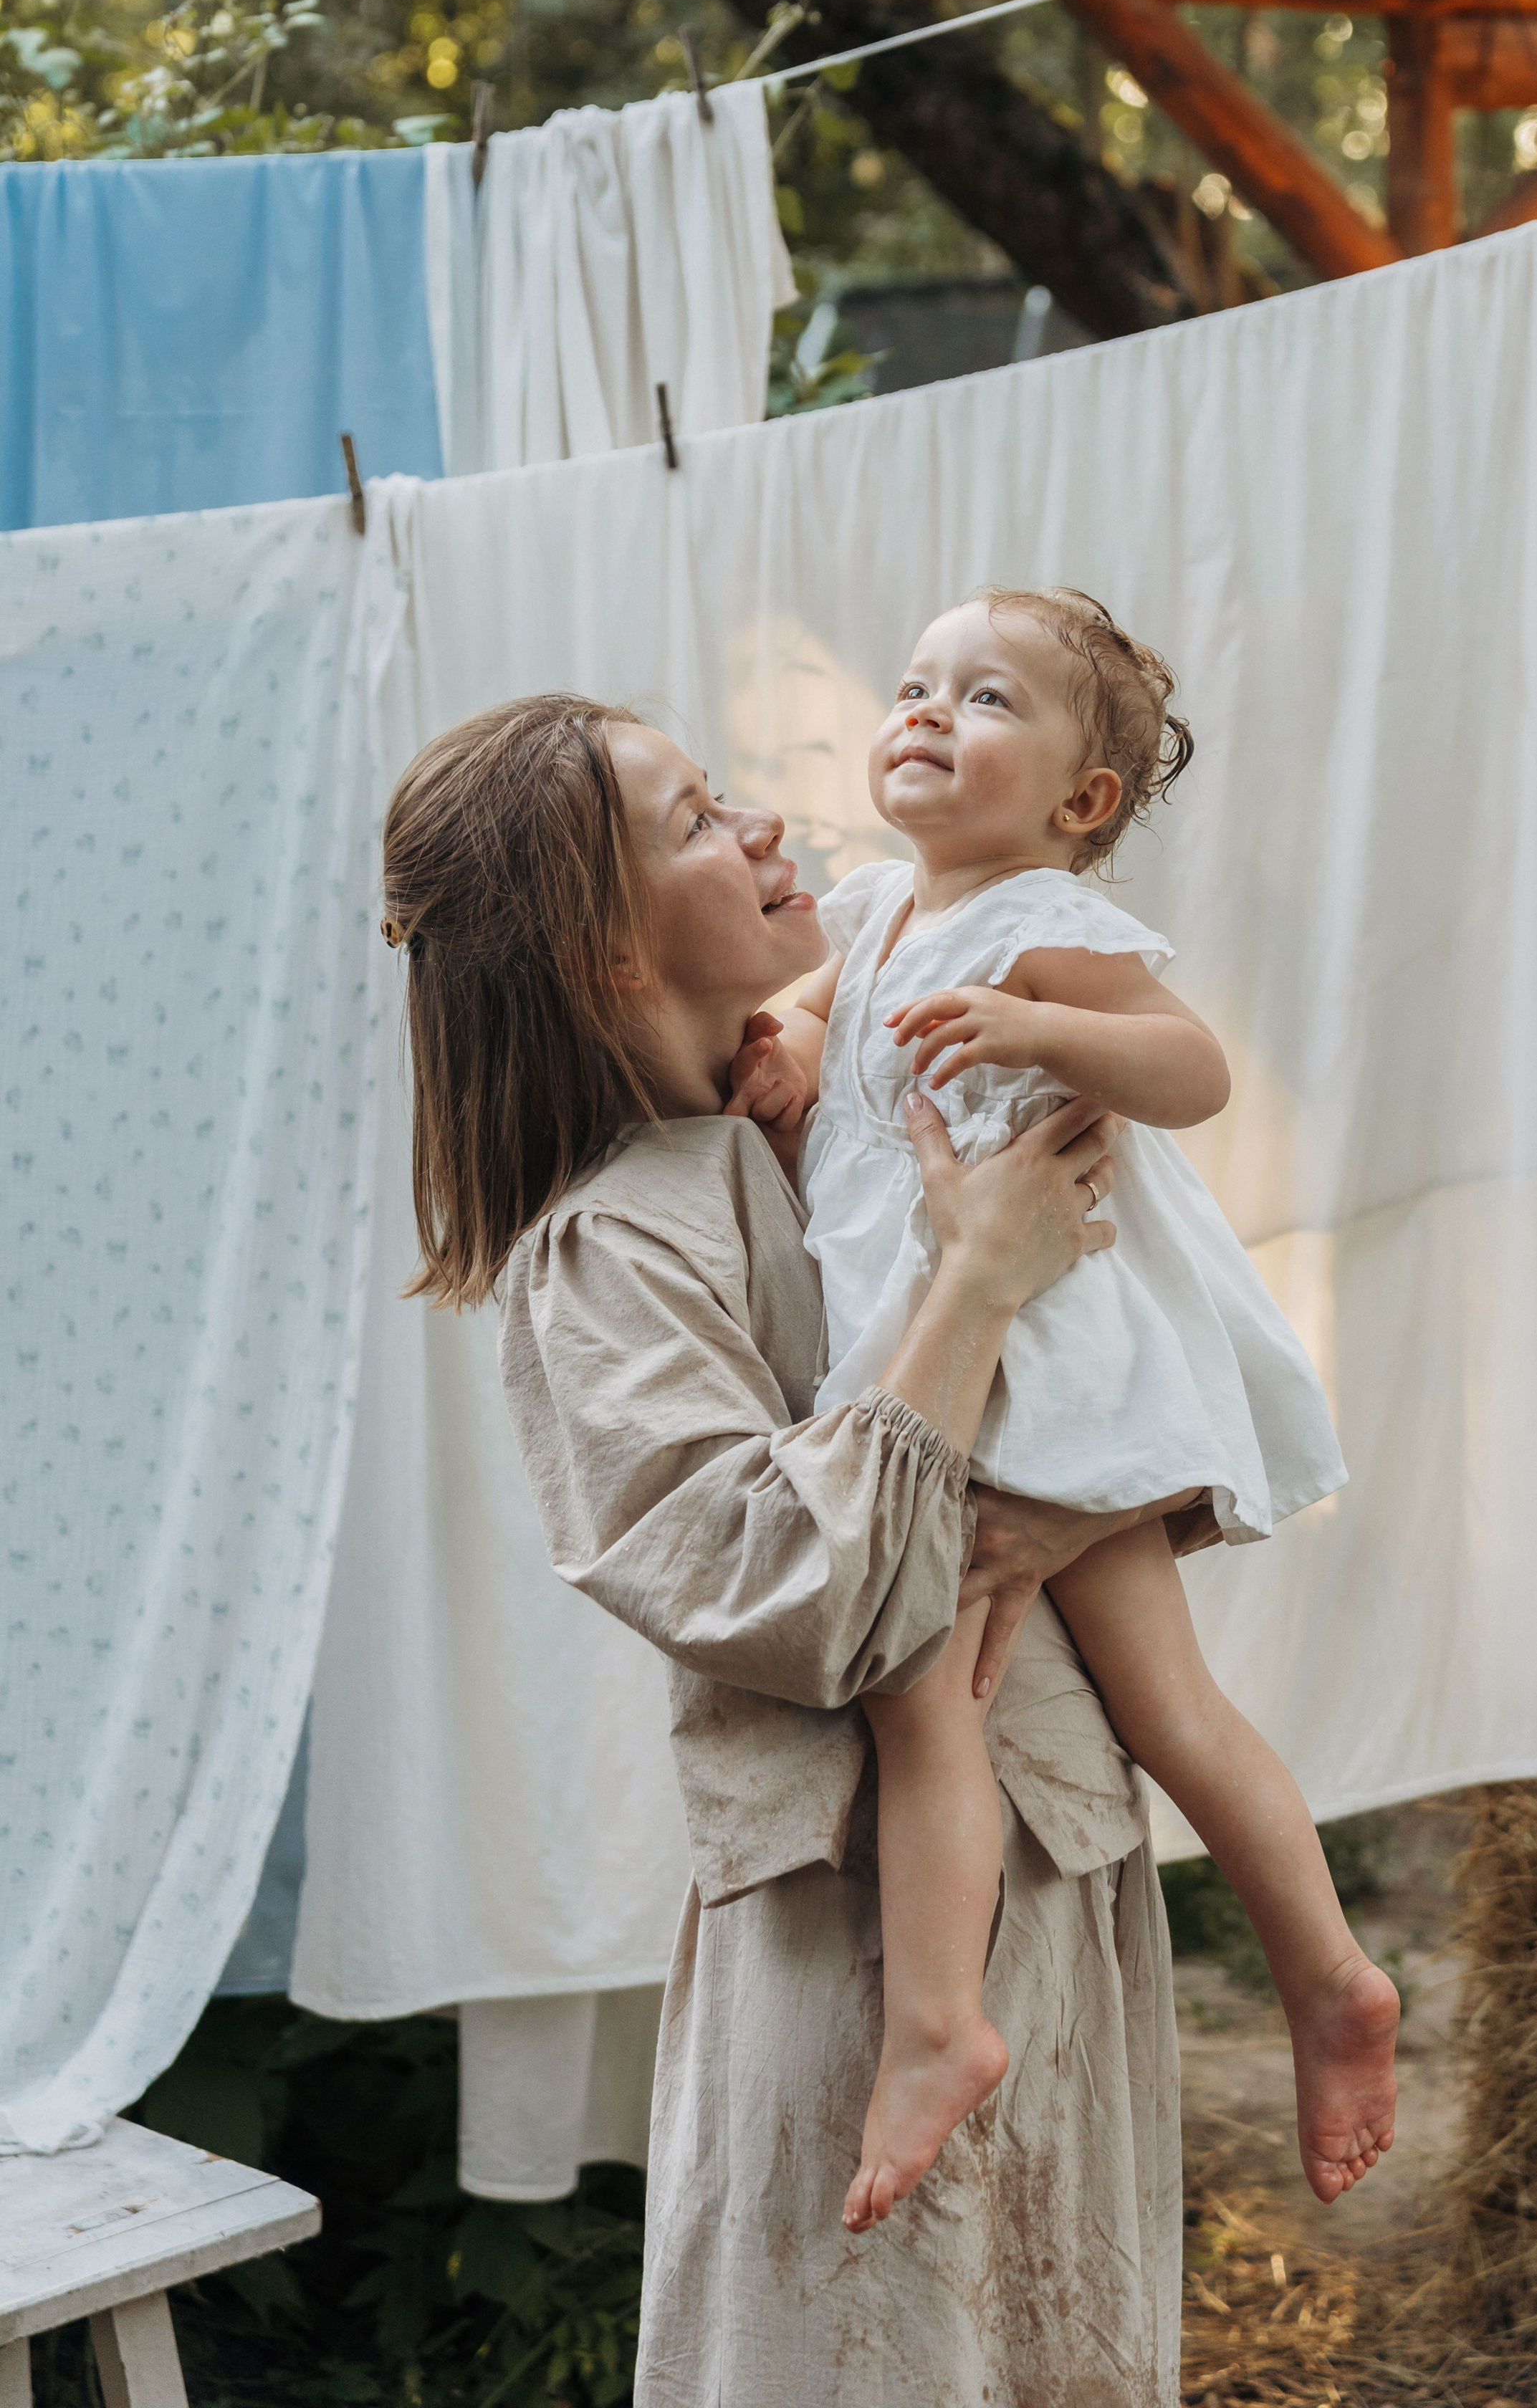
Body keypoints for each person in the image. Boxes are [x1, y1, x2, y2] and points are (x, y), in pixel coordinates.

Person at [379, 690, 1217, 2408]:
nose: (765, 830)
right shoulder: (605, 1242)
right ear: (604, 953)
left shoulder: (849, 1112)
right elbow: (786, 1586)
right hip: (853, 1953)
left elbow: (1125, 1398)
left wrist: (1061, 1489)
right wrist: (975, 1284)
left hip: (1054, 1869)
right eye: (695, 820)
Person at [727, 589, 1399, 2231]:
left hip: (1037, 1374)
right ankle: (1311, 1979)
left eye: (985, 698)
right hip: (940, 1364)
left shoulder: (1035, 919)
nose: (925, 713)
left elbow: (1190, 1071)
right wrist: (780, 1050)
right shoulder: (879, 902)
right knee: (1053, 1697)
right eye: (911, 683)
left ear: (1079, 803)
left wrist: (1042, 1027)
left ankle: (967, 2024)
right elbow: (820, 1024)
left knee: (979, 1693)